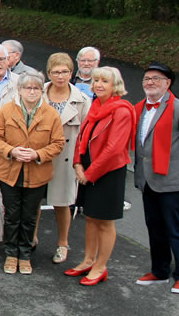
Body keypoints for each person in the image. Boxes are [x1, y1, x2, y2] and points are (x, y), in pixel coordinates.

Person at [64, 66, 136, 286]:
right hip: (87, 169)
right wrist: (77, 164)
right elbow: (82, 137)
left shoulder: (121, 110)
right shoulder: (96, 105)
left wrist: (90, 174)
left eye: (104, 81)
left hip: (108, 172)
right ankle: (88, 260)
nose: (98, 85)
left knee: (104, 221)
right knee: (91, 218)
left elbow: (114, 148)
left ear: (115, 85)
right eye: (96, 81)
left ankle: (100, 266)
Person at [133, 62, 179, 294]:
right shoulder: (140, 107)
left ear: (167, 83)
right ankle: (160, 271)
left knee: (176, 229)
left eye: (155, 79)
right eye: (146, 79)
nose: (149, 82)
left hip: (173, 182)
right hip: (148, 180)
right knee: (154, 228)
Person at [0, 71, 65, 275]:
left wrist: (37, 154)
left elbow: (58, 144)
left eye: (36, 88)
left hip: (37, 172)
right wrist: (11, 151)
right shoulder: (6, 111)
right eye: (27, 88)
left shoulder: (51, 114)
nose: (32, 92)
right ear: (19, 90)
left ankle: (25, 254)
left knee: (30, 216)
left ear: (42, 91)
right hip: (9, 171)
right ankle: (11, 254)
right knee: (12, 215)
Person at [34, 52, 90, 264]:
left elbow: (86, 134)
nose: (60, 76)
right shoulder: (37, 93)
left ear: (71, 73)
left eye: (65, 72)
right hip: (39, 155)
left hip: (66, 157)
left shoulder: (82, 101)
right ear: (49, 73)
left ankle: (63, 243)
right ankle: (32, 237)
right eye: (56, 72)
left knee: (62, 203)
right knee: (34, 200)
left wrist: (80, 163)